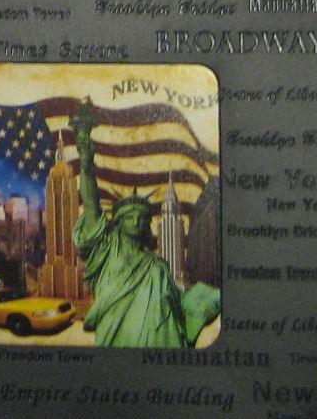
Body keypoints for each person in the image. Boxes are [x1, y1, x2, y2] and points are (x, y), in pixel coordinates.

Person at [70, 99, 219, 347]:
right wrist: (86, 159)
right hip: (117, 340)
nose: (137, 221)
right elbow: (91, 203)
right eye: (129, 217)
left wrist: (206, 300)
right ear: (118, 223)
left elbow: (178, 307)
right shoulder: (106, 251)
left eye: (142, 217)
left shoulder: (157, 265)